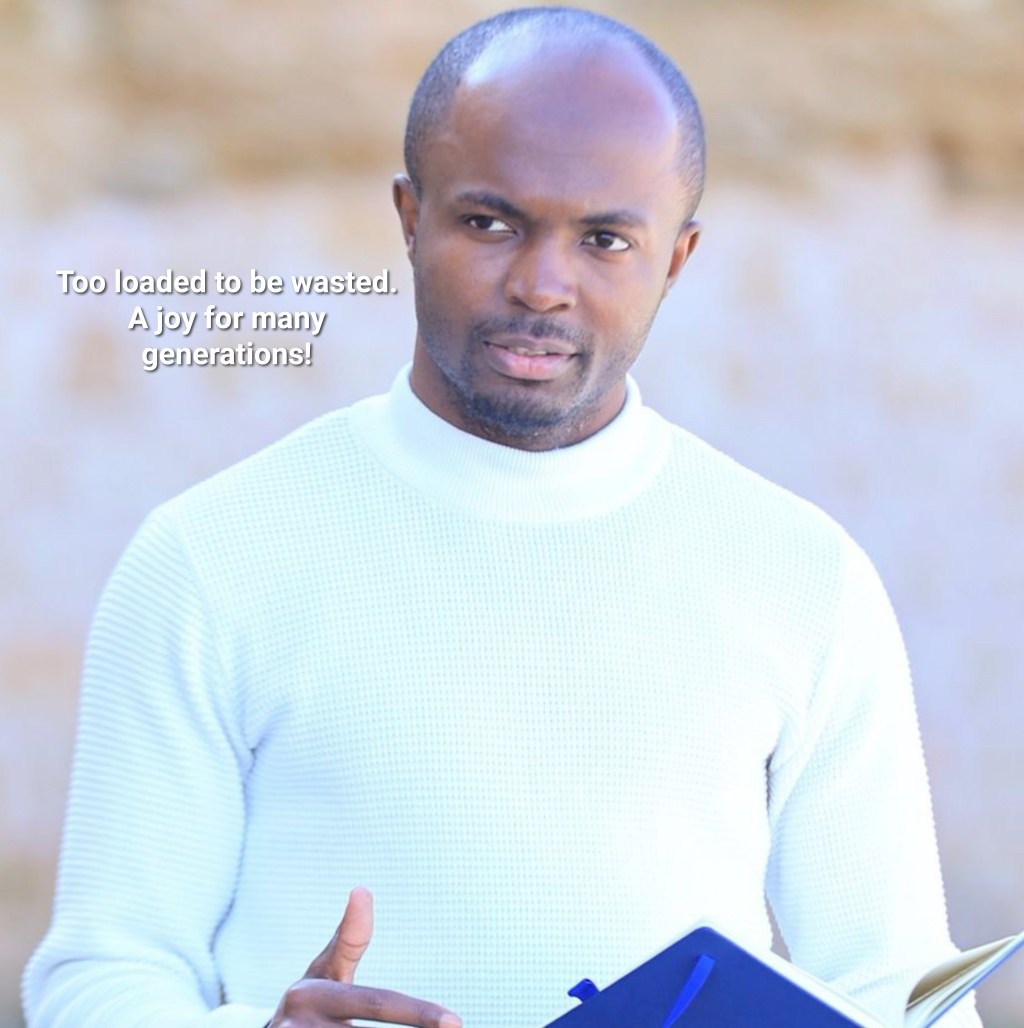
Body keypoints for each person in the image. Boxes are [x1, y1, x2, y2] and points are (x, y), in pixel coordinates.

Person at [24, 7, 979, 1028]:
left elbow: (898, 991)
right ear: (409, 217)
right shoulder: (210, 558)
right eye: (490, 222)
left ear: (677, 258)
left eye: (605, 239)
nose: (541, 285)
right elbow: (97, 976)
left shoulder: (802, 575)